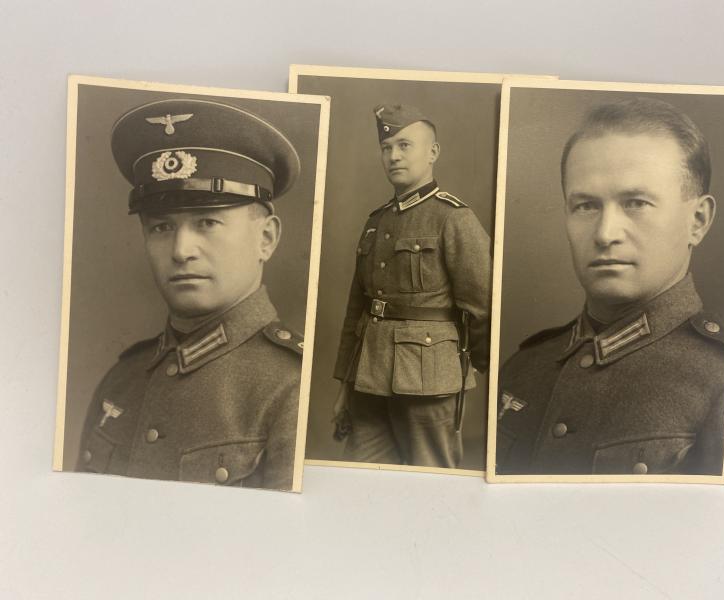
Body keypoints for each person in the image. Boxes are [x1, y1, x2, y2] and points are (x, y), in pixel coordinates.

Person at [496, 97, 724, 476]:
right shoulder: (523, 367)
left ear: (698, 221)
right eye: (586, 206)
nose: (606, 234)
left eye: (636, 203)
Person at [78, 98, 304, 490]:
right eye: (161, 227)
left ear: (266, 239)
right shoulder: (121, 380)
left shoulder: (294, 387)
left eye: (207, 222)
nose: (182, 250)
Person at [332, 104, 491, 468]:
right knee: (361, 479)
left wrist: (465, 368)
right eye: (386, 148)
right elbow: (356, 309)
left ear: (432, 152)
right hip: (368, 380)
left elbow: (484, 305)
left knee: (432, 482)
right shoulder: (376, 221)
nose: (393, 156)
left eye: (404, 145)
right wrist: (345, 385)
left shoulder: (454, 218)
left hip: (430, 378)